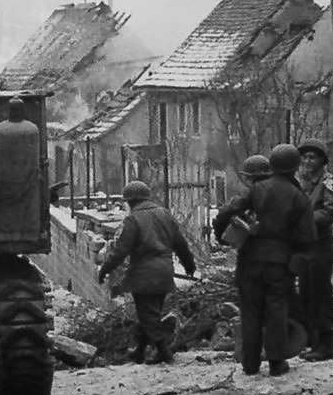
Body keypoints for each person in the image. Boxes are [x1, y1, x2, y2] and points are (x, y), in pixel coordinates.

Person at [213, 150, 315, 377]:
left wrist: (222, 235)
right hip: (280, 262)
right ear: (295, 166)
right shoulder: (299, 196)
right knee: (277, 311)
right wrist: (295, 264)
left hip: (250, 260)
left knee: (250, 311)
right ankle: (277, 363)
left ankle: (250, 363)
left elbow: (226, 212)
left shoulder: (255, 190)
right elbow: (308, 238)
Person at [97, 180, 196, 364]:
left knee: (147, 315)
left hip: (144, 275)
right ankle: (140, 351)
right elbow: (180, 243)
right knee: (151, 313)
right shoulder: (164, 214)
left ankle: (164, 351)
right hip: (165, 271)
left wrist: (105, 268)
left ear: (130, 201)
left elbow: (121, 250)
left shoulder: (133, 219)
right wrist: (189, 264)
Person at [294, 138, 333, 361]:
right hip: (305, 247)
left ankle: (326, 344)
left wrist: (305, 220)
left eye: (312, 157)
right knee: (307, 296)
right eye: (304, 157)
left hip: (321, 246)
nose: (307, 161)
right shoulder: (300, 182)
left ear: (322, 161)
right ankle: (314, 342)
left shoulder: (327, 183)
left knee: (321, 297)